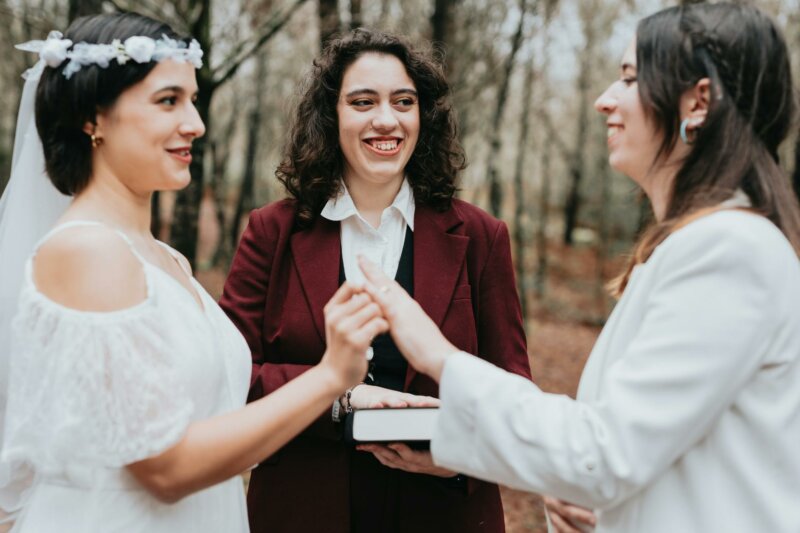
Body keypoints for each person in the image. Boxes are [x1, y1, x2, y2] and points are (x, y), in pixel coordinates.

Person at [357, 3, 800, 532]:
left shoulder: (729, 250)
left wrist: (439, 357)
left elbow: (603, 455)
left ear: (697, 101)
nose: (604, 100)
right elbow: (649, 453)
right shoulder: (701, 246)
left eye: (630, 78)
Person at [0, 13, 384, 533]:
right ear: (94, 118)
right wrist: (330, 377)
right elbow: (166, 467)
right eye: (167, 101)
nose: (195, 124)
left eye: (193, 99)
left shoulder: (166, 259)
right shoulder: (87, 250)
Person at [219, 28, 531, 533]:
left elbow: (514, 389)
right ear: (332, 116)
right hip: (303, 509)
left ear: (422, 116)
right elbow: (231, 380)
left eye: (403, 101)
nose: (385, 119)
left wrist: (460, 460)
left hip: (444, 512)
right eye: (363, 102)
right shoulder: (271, 232)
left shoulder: (480, 237)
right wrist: (341, 397)